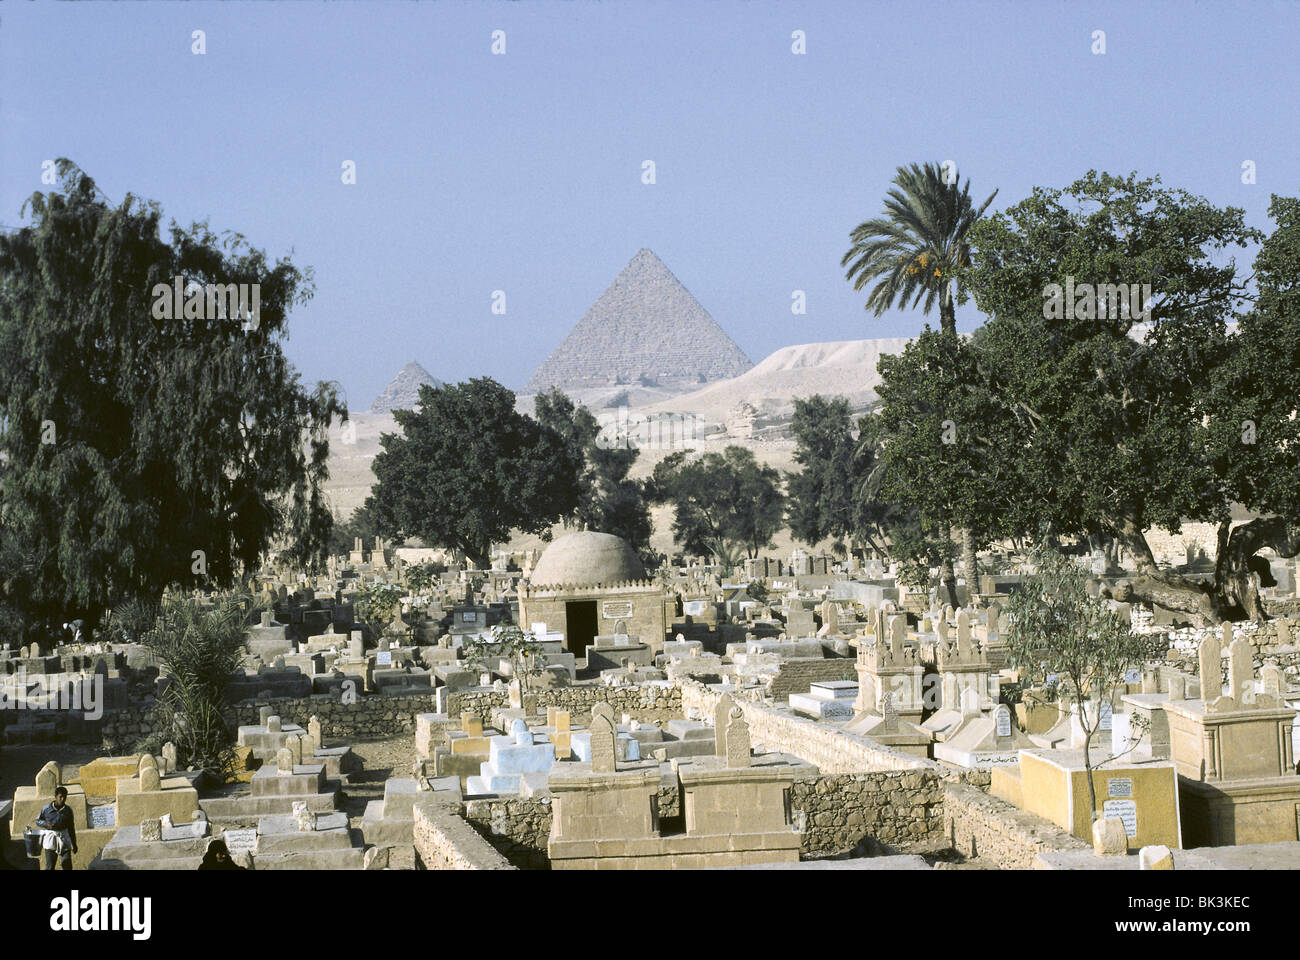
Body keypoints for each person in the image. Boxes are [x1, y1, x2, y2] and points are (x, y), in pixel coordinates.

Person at [36, 786, 78, 871]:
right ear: (55, 797)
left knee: (67, 866)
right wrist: (46, 824)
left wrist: (74, 843)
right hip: (51, 839)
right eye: (60, 797)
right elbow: (37, 821)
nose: (62, 799)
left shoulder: (68, 810)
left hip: (64, 839)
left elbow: (71, 828)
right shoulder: (46, 809)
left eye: (65, 797)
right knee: (50, 866)